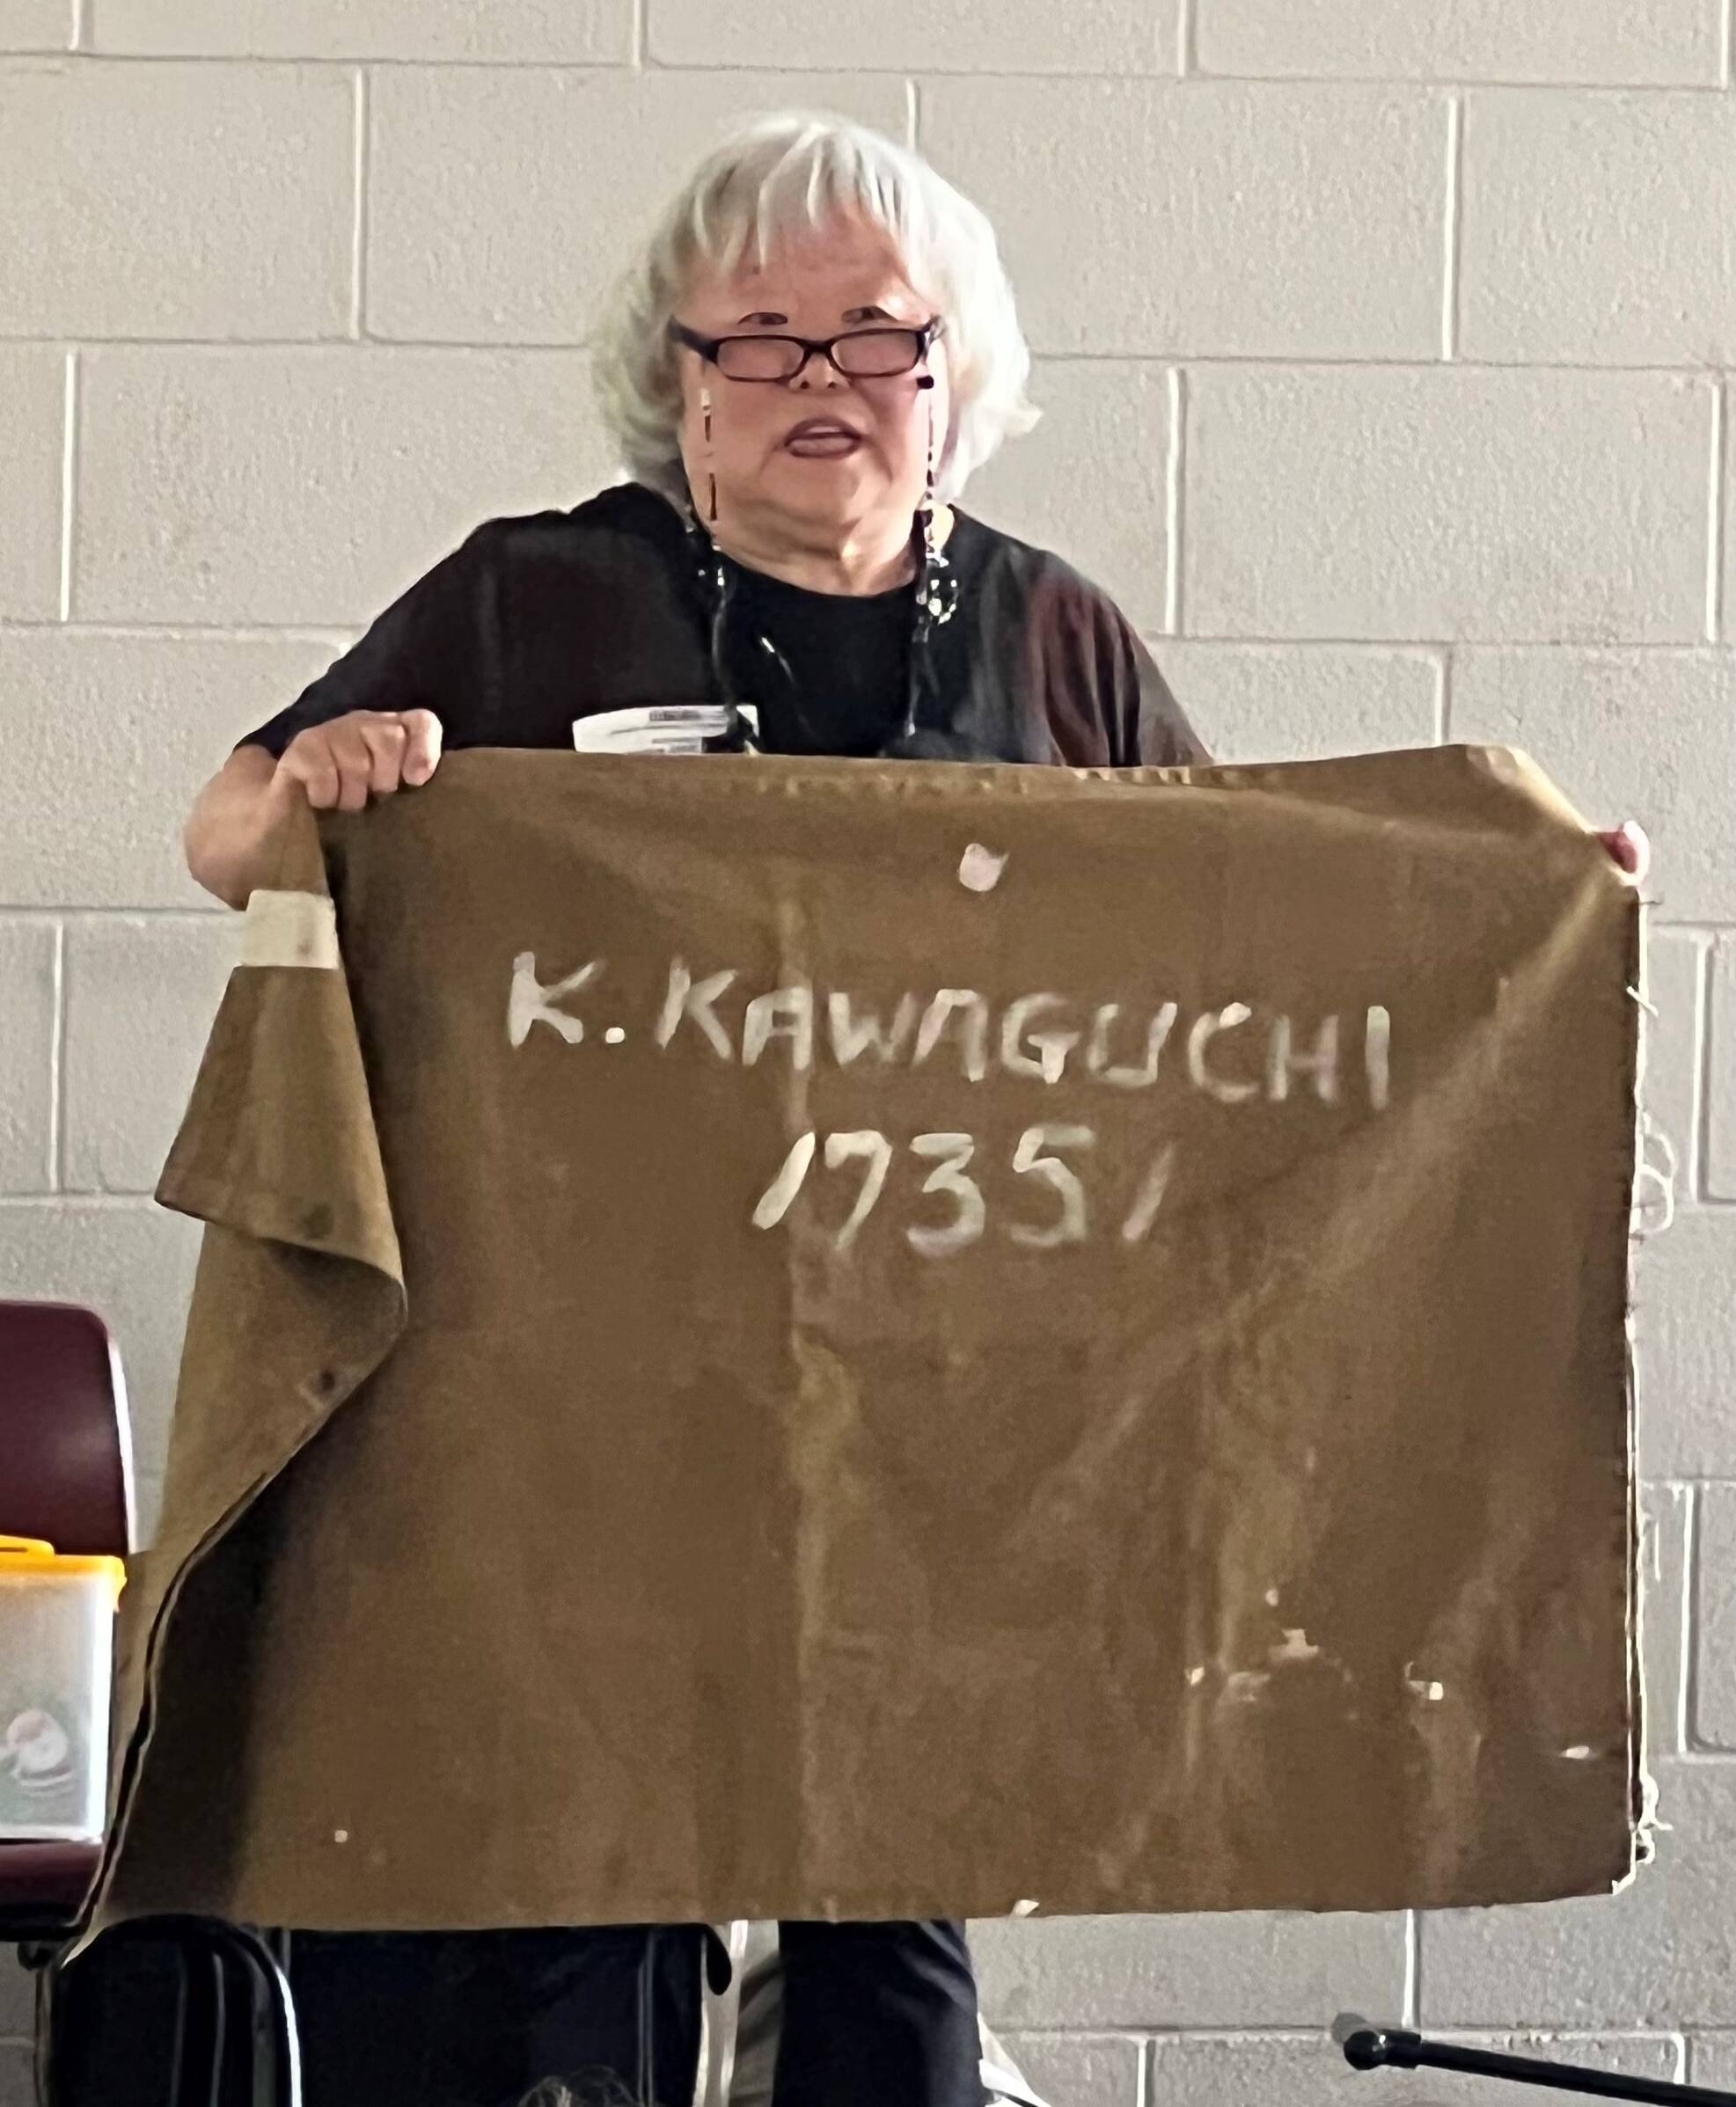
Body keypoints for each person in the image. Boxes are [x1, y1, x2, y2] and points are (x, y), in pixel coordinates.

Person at [179, 107, 1646, 2107]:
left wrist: (1518, 911)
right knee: (575, 1893)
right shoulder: (530, 599)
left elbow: (1257, 934)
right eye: (754, 340)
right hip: (583, 1383)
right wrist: (322, 776)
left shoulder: (1058, 636)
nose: (817, 380)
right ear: (674, 386)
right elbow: (226, 829)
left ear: (955, 378)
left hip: (953, 1401)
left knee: (900, 1891)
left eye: (875, 335)